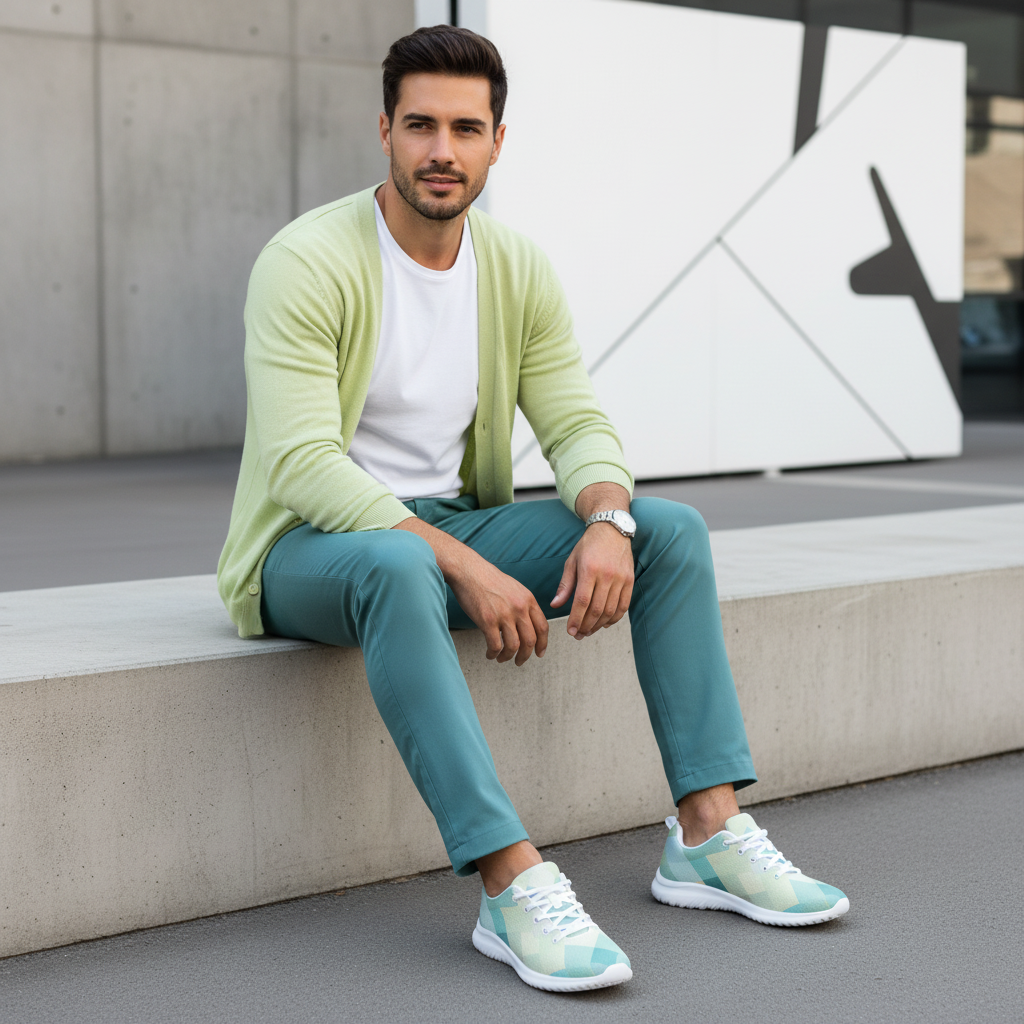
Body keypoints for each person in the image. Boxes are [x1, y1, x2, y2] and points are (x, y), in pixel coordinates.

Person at [217, 24, 848, 993]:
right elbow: (302, 462)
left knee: (668, 530)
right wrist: (459, 562)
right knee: (399, 562)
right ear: (383, 130)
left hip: (455, 521)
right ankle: (510, 880)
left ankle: (707, 833)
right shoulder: (306, 260)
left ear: (496, 143)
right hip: (313, 548)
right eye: (420, 125)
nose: (441, 150)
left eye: (465, 129)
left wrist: (607, 519)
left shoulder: (514, 267)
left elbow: (577, 423)